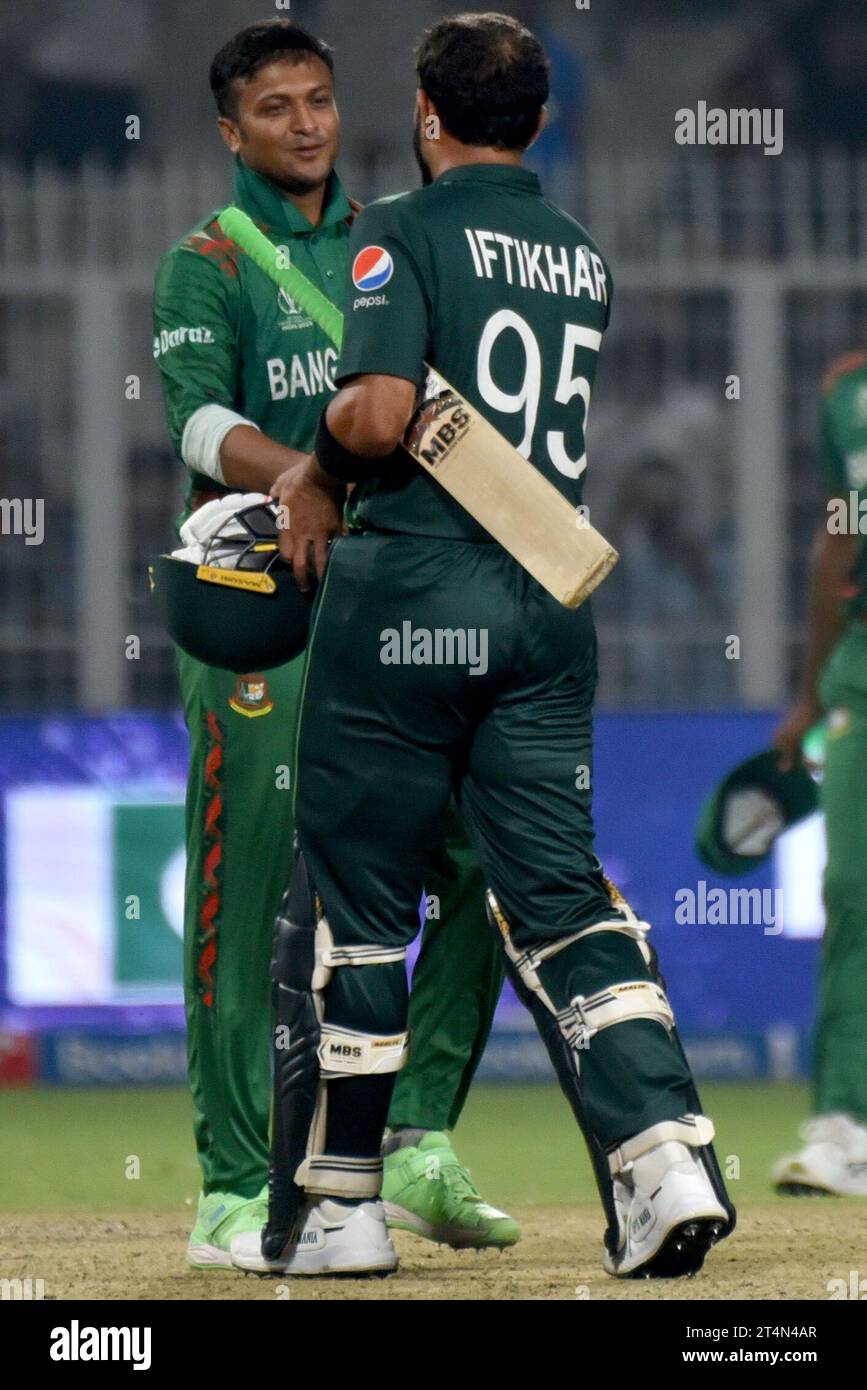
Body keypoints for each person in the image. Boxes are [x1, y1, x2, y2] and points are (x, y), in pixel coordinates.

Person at [232, 11, 735, 1281]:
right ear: (544, 118)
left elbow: (385, 408)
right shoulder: (581, 255)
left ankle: (337, 1209)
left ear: (424, 109)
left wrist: (314, 473)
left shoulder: (396, 229)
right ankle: (664, 1156)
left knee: (355, 903)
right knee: (561, 894)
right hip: (548, 596)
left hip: (409, 591)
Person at [152, 17, 518, 1270]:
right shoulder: (208, 259)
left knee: (482, 849)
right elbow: (198, 421)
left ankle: (414, 1139)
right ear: (229, 130)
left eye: (318, 99)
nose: (306, 123)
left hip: (402, 604)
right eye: (275, 107)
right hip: (265, 607)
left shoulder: (392, 242)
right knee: (246, 899)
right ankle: (231, 1184)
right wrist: (313, 472)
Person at [772, 348, 867, 1196]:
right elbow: (837, 540)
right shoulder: (845, 395)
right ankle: (845, 1125)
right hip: (860, 680)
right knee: (852, 894)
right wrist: (806, 696)